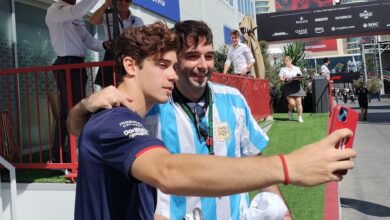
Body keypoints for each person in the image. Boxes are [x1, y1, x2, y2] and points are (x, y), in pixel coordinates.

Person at [72, 21, 356, 220]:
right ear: (131, 66)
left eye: (208, 56)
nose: (173, 74)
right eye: (164, 65)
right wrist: (288, 166)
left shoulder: (114, 115)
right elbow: (167, 171)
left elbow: (84, 134)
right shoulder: (118, 119)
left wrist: (83, 106)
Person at [45, 0, 110, 163]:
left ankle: (72, 154)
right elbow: (77, 11)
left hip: (77, 64)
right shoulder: (55, 9)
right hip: (66, 63)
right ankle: (58, 156)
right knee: (68, 111)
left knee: (76, 110)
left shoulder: (74, 14)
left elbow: (89, 41)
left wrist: (105, 44)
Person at [90, 0, 144, 87]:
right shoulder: (108, 15)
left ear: (130, 2)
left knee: (128, 88)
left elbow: (140, 40)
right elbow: (92, 21)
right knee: (108, 89)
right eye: (119, 0)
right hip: (111, 55)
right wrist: (105, 5)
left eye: (126, 0)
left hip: (129, 56)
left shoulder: (137, 20)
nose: (122, 2)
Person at [279, 56, 306, 123]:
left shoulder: (297, 68)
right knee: (292, 103)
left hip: (297, 86)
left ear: (291, 61)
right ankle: (290, 111)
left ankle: (300, 117)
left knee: (299, 103)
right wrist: (286, 79)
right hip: (287, 86)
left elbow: (300, 76)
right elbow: (280, 78)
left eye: (286, 60)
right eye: (284, 61)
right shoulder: (283, 69)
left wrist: (297, 78)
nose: (285, 62)